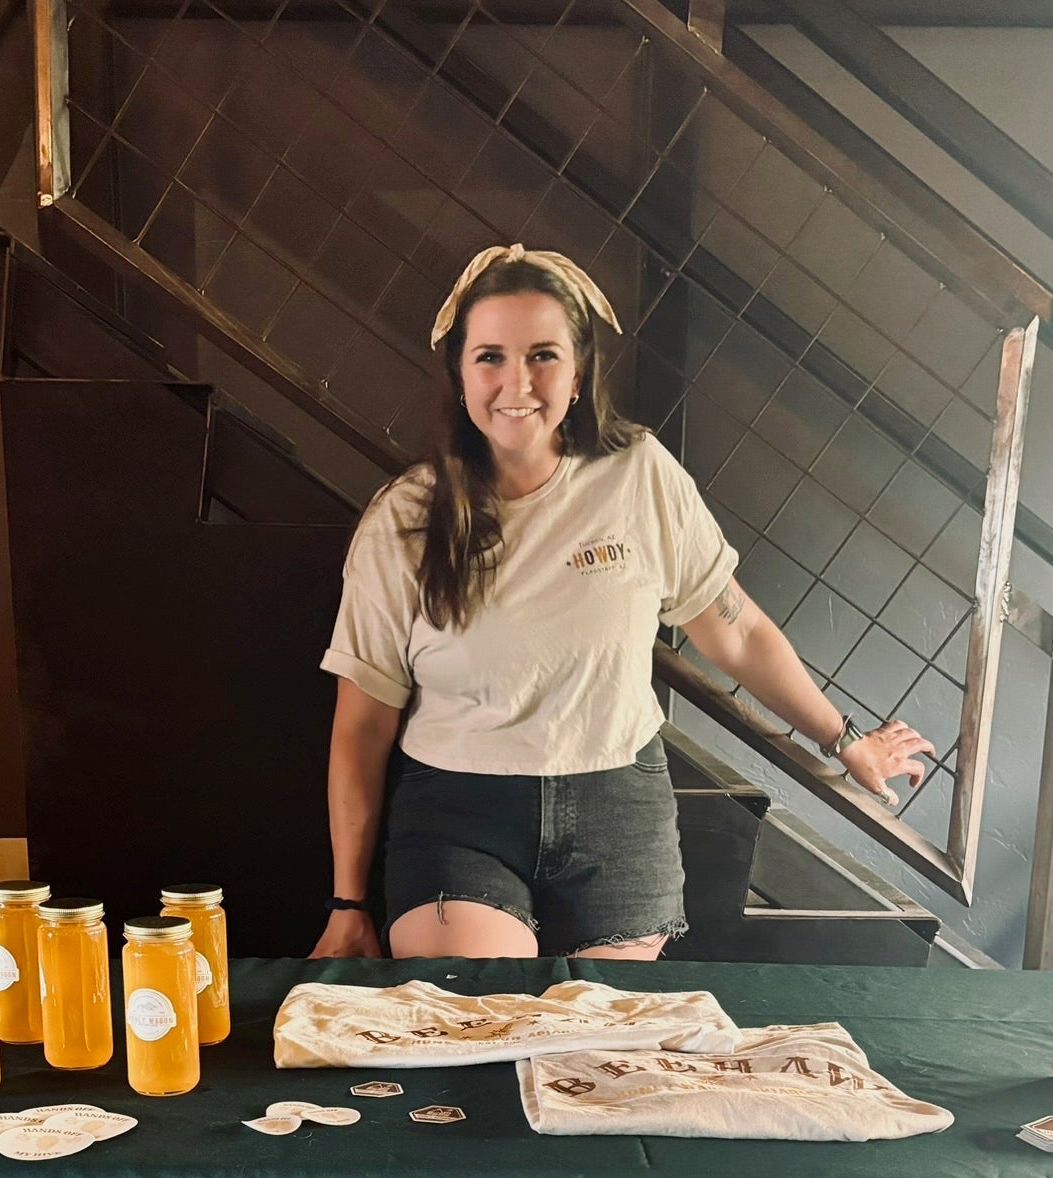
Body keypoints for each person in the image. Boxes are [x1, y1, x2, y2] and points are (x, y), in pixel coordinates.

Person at [311, 244, 933, 961]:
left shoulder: (638, 475)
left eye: (543, 354)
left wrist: (842, 736)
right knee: (485, 1019)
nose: (517, 381)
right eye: (490, 356)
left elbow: (737, 632)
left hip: (617, 811)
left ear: (578, 372)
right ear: (458, 373)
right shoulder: (404, 520)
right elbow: (361, 726)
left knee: (599, 1045)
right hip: (460, 815)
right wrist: (348, 901)